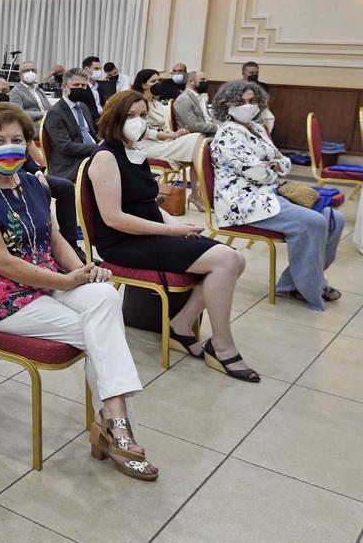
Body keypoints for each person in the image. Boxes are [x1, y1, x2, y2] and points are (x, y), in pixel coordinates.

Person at [0, 102, 157, 481]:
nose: (9, 148)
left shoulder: (31, 183)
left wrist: (81, 270)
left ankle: (112, 418)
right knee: (101, 332)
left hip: (45, 282)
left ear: (29, 144)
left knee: (106, 297)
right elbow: (2, 263)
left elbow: (55, 237)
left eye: (17, 140)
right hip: (3, 302)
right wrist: (66, 282)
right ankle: (118, 427)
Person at [89, 91, 257, 382]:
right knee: (227, 261)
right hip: (123, 243)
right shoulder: (106, 157)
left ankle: (181, 324)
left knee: (236, 259)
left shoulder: (133, 151)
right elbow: (113, 218)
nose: (138, 122)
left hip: (148, 234)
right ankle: (222, 346)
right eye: (130, 116)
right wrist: (172, 231)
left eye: (142, 116)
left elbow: (147, 206)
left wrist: (177, 226)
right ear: (113, 119)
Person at [210, 80, 344, 312]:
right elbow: (257, 172)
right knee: (313, 222)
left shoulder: (257, 128)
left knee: (335, 218)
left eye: (252, 101)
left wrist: (271, 167)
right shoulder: (227, 135)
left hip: (268, 192)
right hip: (243, 202)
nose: (248, 106)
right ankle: (312, 288)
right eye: (240, 102)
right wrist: (270, 167)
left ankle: (292, 284)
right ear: (226, 105)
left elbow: (283, 161)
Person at [129, 68, 203, 211]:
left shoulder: (158, 104)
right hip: (146, 146)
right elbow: (143, 132)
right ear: (144, 85)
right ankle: (202, 192)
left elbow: (168, 129)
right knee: (197, 140)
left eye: (158, 80)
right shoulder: (136, 104)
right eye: (153, 81)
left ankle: (196, 193)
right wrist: (171, 136)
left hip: (163, 143)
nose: (158, 84)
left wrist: (177, 133)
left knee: (197, 146)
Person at [43, 68, 99, 181]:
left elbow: (92, 134)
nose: (80, 88)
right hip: (70, 164)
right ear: (64, 87)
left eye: (83, 86)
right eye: (76, 85)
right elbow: (66, 147)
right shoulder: (55, 113)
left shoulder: (83, 107)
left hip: (91, 155)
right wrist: (98, 148)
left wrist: (106, 143)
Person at [173, 71, 217, 136]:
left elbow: (206, 117)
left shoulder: (199, 96)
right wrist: (217, 127)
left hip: (207, 131)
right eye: (202, 80)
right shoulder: (184, 99)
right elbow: (192, 126)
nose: (206, 82)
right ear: (191, 82)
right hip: (196, 136)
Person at [239, 61, 275, 133]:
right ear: (243, 73)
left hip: (258, 114)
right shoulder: (236, 86)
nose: (254, 75)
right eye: (251, 73)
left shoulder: (263, 86)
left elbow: (265, 102)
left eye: (256, 73)